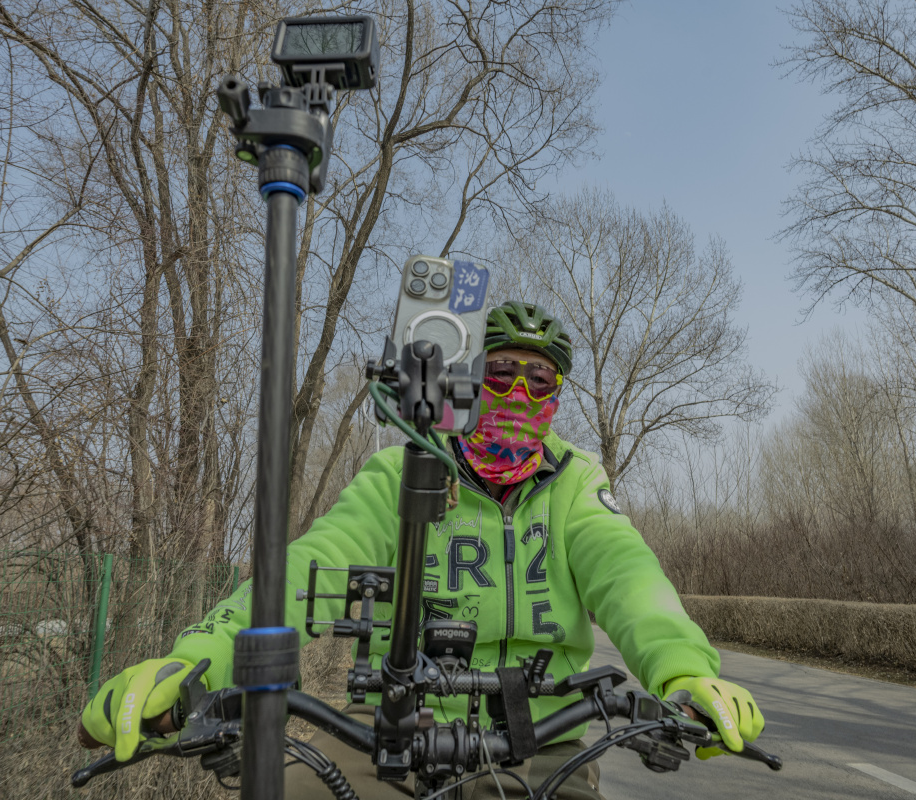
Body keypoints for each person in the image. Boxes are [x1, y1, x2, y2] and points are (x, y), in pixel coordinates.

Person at [78, 301, 765, 798]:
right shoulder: (403, 469)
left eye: (540, 382)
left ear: (558, 397)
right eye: (501, 374)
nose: (518, 394)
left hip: (541, 735)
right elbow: (314, 563)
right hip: (390, 727)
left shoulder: (576, 481)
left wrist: (683, 674)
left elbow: (629, 576)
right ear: (465, 379)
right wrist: (198, 656)